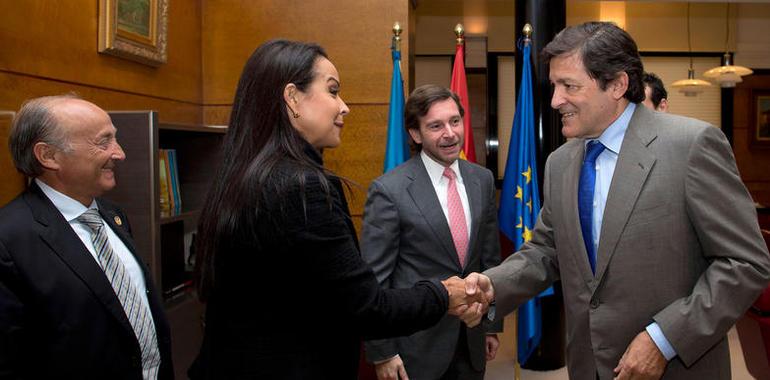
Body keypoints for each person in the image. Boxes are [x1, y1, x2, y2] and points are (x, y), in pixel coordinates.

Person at [464, 22, 770, 379]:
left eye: (569, 86)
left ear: (617, 84)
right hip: (588, 366)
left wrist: (663, 338)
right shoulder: (560, 162)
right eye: (554, 86)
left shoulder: (691, 146)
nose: (555, 100)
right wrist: (493, 285)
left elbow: (745, 262)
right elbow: (546, 250)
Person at [188, 40, 484, 380]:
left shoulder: (246, 174)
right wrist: (445, 293)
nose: (344, 107)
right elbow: (366, 307)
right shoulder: (299, 188)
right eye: (332, 91)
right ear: (293, 98)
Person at [0, 95, 174, 379]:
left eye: (114, 139)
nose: (119, 153)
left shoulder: (114, 215)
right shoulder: (9, 240)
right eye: (103, 142)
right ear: (49, 156)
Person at [361, 84, 501, 380]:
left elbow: (490, 261)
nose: (450, 134)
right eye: (435, 126)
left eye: (454, 121)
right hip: (416, 348)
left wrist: (490, 324)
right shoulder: (390, 191)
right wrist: (383, 352)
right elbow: (374, 282)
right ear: (415, 134)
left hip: (472, 340)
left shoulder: (483, 180)